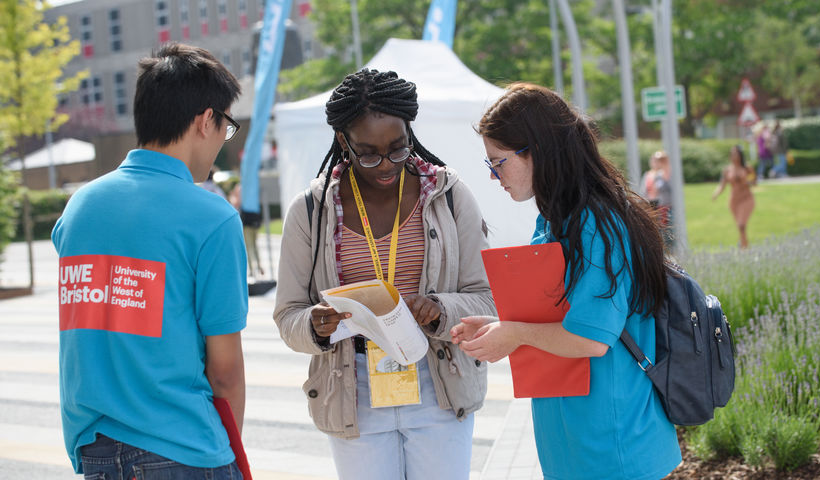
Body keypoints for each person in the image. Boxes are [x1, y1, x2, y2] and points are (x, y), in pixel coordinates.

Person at [273, 69, 496, 480]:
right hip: (352, 388)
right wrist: (315, 325)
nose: (387, 166)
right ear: (344, 142)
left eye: (398, 148)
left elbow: (487, 299)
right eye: (369, 153)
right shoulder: (310, 211)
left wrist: (439, 309)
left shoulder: (450, 197)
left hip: (438, 380)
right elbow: (288, 315)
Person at [451, 83, 681, 480]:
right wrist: (500, 330)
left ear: (536, 151)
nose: (493, 176)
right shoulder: (559, 219)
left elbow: (590, 338)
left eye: (498, 162)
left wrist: (514, 333)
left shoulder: (595, 222)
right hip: (580, 442)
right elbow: (554, 320)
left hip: (612, 447)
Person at [51, 43, 248, 478]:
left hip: (96, 452)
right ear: (205, 120)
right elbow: (226, 373)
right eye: (226, 126)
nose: (222, 141)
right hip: (184, 450)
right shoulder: (211, 218)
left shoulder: (79, 208)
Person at [712, 145, 756, 248]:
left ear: (740, 155)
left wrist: (748, 182)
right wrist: (716, 193)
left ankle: (744, 247)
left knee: (741, 224)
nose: (734, 156)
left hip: (746, 199)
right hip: (734, 201)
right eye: (732, 154)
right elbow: (722, 185)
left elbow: (754, 181)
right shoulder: (727, 170)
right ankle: (744, 246)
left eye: (736, 153)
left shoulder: (747, 168)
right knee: (740, 227)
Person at [228, 182, 264, 278]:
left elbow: (236, 203)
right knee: (255, 245)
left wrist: (232, 196)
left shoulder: (239, 188)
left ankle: (252, 269)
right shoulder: (251, 187)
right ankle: (259, 266)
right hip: (254, 219)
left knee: (248, 247)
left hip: (246, 221)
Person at [638, 150, 673, 247]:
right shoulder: (648, 175)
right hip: (651, 207)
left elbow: (671, 188)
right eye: (654, 160)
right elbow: (643, 192)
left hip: (665, 208)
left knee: (667, 234)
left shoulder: (665, 174)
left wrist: (666, 169)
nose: (656, 162)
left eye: (660, 160)